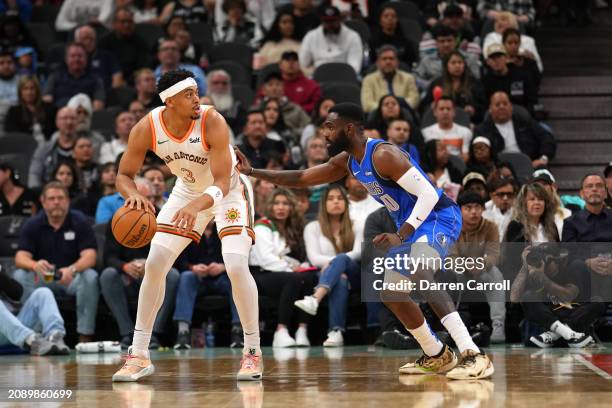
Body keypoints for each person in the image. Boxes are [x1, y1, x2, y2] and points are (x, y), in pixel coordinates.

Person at [236, 102, 494, 380]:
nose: (325, 133)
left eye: (330, 127)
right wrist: (251, 172)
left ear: (348, 129)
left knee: (420, 270)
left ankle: (473, 354)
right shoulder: (348, 161)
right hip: (412, 226)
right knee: (391, 292)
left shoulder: (384, 155)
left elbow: (429, 195)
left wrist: (402, 234)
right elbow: (301, 177)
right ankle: (437, 354)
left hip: (438, 217)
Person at [111, 69, 262, 382]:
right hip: (187, 190)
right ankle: (138, 354)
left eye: (197, 92)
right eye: (189, 94)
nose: (197, 99)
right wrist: (133, 197)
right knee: (154, 264)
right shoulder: (147, 127)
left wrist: (196, 207)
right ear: (170, 102)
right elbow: (124, 175)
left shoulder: (212, 120)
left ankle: (252, 352)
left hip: (230, 192)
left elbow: (221, 181)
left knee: (235, 264)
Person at [13, 181, 99, 343]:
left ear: (67, 201)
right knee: (20, 275)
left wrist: (72, 269)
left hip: (71, 277)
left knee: (90, 276)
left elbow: (90, 256)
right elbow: (20, 258)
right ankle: (34, 335)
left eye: (60, 198)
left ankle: (85, 336)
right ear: (43, 202)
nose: (56, 202)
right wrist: (34, 265)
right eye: (51, 198)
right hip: (44, 278)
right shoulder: (33, 224)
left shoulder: (79, 221)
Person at [100, 178, 179, 349]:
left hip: (155, 272)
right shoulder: (118, 220)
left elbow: (174, 253)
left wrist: (152, 264)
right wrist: (124, 266)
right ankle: (127, 334)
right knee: (107, 275)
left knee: (173, 275)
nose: (147, 203)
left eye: (150, 199)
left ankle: (154, 334)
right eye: (142, 199)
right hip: (127, 275)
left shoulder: (164, 218)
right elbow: (108, 257)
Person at [295, 186, 364, 346]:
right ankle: (335, 332)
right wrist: (336, 266)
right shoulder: (312, 227)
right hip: (327, 275)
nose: (336, 202)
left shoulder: (357, 225)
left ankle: (315, 298)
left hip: (355, 274)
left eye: (340, 198)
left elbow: (358, 253)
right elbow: (314, 258)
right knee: (339, 278)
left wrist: (335, 262)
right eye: (331, 198)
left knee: (342, 260)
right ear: (323, 203)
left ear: (346, 203)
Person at [249, 188, 315, 348]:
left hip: (278, 273)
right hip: (260, 274)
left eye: (285, 204)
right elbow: (266, 259)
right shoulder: (262, 226)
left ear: (292, 207)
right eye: (277, 203)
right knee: (294, 278)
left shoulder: (289, 228)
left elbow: (284, 256)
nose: (281, 207)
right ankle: (281, 330)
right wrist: (292, 269)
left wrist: (300, 266)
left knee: (309, 278)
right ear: (270, 206)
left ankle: (302, 329)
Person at [510, 243, 603, 348]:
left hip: (574, 320)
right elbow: (514, 298)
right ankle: (567, 334)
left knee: (597, 302)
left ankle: (556, 335)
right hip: (553, 321)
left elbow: (568, 295)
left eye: (544, 261)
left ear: (556, 260)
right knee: (527, 297)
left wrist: (543, 279)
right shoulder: (536, 270)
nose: (541, 265)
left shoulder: (575, 266)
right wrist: (525, 266)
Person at [173, 222, 244, 349]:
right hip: (197, 279)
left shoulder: (227, 228)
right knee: (186, 277)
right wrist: (192, 267)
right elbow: (178, 260)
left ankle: (237, 331)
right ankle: (183, 332)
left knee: (236, 277)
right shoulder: (187, 231)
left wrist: (224, 267)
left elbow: (239, 256)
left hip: (222, 278)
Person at [450, 192, 506, 343]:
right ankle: (451, 327)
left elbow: (494, 255)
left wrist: (481, 264)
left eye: (477, 207)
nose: (473, 212)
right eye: (468, 208)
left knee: (496, 274)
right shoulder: (452, 227)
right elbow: (451, 256)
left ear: (483, 209)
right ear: (460, 210)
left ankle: (498, 324)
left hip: (483, 269)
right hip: (459, 269)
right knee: (449, 273)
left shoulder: (490, 227)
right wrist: (466, 265)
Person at [476, 92, 555, 168]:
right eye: (497, 104)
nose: (502, 107)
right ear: (490, 109)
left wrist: (543, 159)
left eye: (505, 104)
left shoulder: (525, 122)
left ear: (511, 106)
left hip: (528, 167)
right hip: (496, 169)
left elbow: (546, 138)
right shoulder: (482, 130)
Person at [0, 268, 70, 355]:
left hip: (14, 325)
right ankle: (32, 341)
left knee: (43, 293)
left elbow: (17, 293)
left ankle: (55, 336)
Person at [421, 51, 487, 123]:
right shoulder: (437, 83)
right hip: (441, 123)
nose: (457, 66)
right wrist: (432, 107)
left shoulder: (474, 83)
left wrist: (474, 110)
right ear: (447, 66)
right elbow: (424, 107)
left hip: (469, 121)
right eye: (453, 63)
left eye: (460, 63)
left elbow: (483, 106)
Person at [298, 5, 363, 76]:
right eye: (326, 21)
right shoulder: (311, 36)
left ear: (340, 20)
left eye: (333, 21)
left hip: (344, 77)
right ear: (321, 21)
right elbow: (303, 62)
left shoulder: (353, 36)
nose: (329, 25)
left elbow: (354, 67)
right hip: (318, 76)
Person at [43, 43, 105, 111]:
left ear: (86, 59)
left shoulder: (96, 80)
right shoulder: (54, 77)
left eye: (80, 56)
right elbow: (47, 101)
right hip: (60, 117)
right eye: (73, 56)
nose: (76, 59)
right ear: (66, 59)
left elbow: (98, 106)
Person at [415, 25, 480, 89]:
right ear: (436, 43)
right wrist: (431, 85)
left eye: (449, 40)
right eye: (442, 41)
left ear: (456, 41)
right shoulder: (427, 60)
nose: (446, 44)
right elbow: (416, 78)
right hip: (434, 93)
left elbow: (476, 79)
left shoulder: (469, 58)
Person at [28, 107, 78, 189]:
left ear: (77, 122)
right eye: (64, 118)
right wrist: (38, 194)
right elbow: (34, 174)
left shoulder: (86, 147)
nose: (69, 122)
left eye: (72, 118)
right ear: (57, 122)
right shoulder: (43, 149)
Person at [361, 45, 420, 113]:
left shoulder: (408, 78)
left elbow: (414, 100)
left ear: (397, 62)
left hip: (403, 115)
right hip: (378, 116)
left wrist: (396, 108)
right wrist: (386, 108)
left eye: (391, 58)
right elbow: (367, 105)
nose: (388, 62)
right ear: (378, 63)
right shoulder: (368, 80)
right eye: (384, 59)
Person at [99, 8, 152, 83]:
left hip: (133, 83)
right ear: (114, 24)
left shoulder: (140, 43)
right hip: (108, 81)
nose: (126, 25)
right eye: (123, 22)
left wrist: (127, 81)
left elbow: (144, 67)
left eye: (129, 21)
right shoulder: (104, 42)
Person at [482, 43, 538, 114]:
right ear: (488, 62)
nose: (496, 60)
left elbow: (532, 100)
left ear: (506, 58)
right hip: (496, 117)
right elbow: (485, 106)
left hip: (521, 116)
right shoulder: (485, 82)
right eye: (492, 58)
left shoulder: (522, 76)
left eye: (499, 56)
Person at [257, 71, 311, 136]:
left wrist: (291, 133)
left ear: (283, 88)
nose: (274, 88)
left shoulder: (295, 109)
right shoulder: (257, 109)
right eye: (270, 84)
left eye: (278, 84)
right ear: (263, 89)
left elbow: (309, 128)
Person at [4, 76, 56, 141]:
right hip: (24, 146)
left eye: (32, 88)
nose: (29, 92)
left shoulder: (49, 108)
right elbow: (11, 135)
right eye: (25, 89)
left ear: (37, 90)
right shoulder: (14, 111)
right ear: (20, 92)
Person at [422, 96, 472, 161]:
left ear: (454, 112)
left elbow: (465, 157)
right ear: (435, 112)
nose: (445, 112)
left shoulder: (466, 132)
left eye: (448, 109)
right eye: (441, 109)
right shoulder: (425, 133)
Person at [74, 24, 124, 89]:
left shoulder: (107, 56)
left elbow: (117, 75)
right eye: (84, 39)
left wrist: (113, 93)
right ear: (77, 41)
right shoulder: (73, 59)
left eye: (90, 39)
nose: (88, 42)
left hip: (106, 93)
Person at [205, 69, 246, 136]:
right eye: (216, 83)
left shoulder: (237, 106)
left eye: (224, 83)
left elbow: (240, 129)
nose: (220, 86)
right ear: (208, 84)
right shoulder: (200, 104)